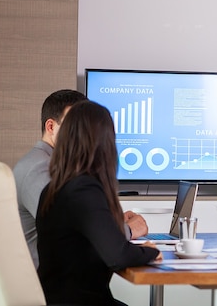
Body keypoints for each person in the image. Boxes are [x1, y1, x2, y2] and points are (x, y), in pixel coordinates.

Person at [36, 100, 162, 306]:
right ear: (104, 141)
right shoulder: (84, 189)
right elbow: (118, 255)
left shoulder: (56, 188)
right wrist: (151, 251)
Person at [14, 89, 149, 268]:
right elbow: (76, 234)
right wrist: (128, 230)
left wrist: (108, 222)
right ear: (51, 127)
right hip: (48, 285)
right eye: (73, 125)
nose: (80, 133)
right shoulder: (41, 169)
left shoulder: (53, 165)